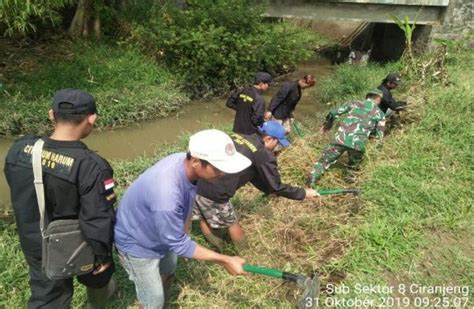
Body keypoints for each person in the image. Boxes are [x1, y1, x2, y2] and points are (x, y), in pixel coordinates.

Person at [114, 129, 252, 309]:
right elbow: (178, 243)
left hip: (160, 231)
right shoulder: (166, 195)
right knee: (152, 300)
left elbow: (186, 206)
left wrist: (184, 232)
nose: (223, 174)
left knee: (169, 271)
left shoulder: (183, 161)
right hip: (137, 242)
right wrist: (225, 259)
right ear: (196, 161)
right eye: (218, 168)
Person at [4, 89, 116, 308]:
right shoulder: (91, 165)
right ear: (92, 118)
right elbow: (97, 217)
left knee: (48, 295)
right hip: (77, 243)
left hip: (34, 239)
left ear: (51, 115)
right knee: (97, 275)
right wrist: (102, 255)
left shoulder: (19, 149)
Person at [193, 121, 319, 252]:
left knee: (204, 217)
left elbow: (252, 175)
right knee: (232, 223)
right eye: (277, 142)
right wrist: (303, 193)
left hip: (199, 181)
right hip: (216, 192)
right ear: (268, 138)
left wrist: (268, 189)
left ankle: (217, 247)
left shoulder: (241, 136)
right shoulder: (263, 153)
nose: (278, 147)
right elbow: (277, 186)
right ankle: (243, 254)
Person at [307, 89, 386, 185]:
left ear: (368, 96)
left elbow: (333, 113)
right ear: (377, 98)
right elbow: (379, 137)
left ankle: (311, 181)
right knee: (353, 167)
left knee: (323, 162)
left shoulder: (354, 103)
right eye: (380, 99)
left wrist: (327, 126)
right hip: (358, 145)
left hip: (340, 139)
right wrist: (375, 154)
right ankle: (348, 185)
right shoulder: (380, 114)